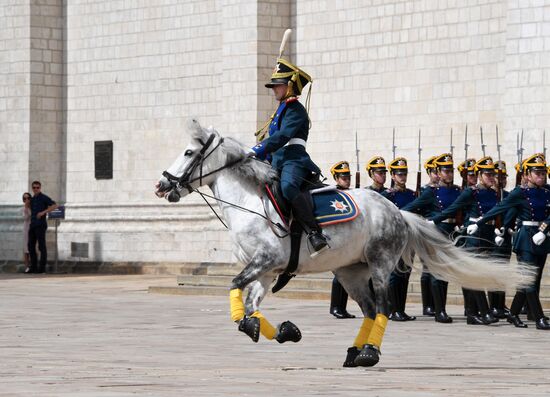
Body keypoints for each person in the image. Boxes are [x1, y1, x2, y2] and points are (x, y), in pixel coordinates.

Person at [251, 54, 328, 257]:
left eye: (278, 85)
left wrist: (256, 149)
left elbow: (283, 137)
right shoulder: (281, 110)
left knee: (288, 186)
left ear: (290, 86)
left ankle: (314, 232)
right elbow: (274, 141)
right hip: (278, 160)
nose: (275, 89)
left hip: (294, 159)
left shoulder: (295, 110)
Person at [468, 154, 550, 330]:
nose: (541, 176)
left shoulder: (547, 192)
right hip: (525, 239)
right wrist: (479, 222)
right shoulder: (519, 193)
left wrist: (544, 229)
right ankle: (539, 318)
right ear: (527, 174)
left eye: (543, 173)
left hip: (542, 238)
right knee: (528, 280)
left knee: (532, 280)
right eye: (537, 173)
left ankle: (513, 313)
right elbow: (501, 208)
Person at [430, 157, 499, 325]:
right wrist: (434, 221)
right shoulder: (471, 192)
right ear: (480, 175)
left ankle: (472, 313)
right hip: (474, 235)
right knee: (474, 273)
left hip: (488, 234)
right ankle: (483, 312)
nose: (491, 178)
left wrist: (500, 228)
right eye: (487, 175)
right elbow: (454, 208)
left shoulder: (493, 192)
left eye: (492, 175)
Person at [402, 153, 461, 323]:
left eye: (451, 170)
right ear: (438, 172)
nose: (449, 174)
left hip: (451, 233)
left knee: (445, 272)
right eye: (445, 170)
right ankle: (439, 310)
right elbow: (413, 207)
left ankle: (440, 307)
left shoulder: (458, 190)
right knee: (436, 271)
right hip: (435, 233)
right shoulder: (431, 192)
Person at [381, 157, 416, 321]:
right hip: (394, 239)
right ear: (393, 176)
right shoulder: (386, 195)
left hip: (409, 238)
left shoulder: (411, 194)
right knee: (395, 274)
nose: (403, 177)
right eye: (399, 174)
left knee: (405, 274)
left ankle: (401, 309)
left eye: (404, 174)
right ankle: (393, 309)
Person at [328, 161, 355, 319]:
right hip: (337, 238)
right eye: (343, 177)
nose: (347, 180)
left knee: (346, 273)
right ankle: (336, 307)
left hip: (350, 239)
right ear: (336, 178)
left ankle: (341, 307)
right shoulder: (333, 195)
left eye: (347, 177)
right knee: (339, 274)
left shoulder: (352, 193)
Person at [418, 156, 439, 316]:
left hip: (439, 232)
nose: (437, 175)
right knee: (427, 269)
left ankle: (434, 304)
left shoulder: (440, 190)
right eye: (434, 172)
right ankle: (428, 305)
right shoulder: (426, 190)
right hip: (427, 231)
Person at [28, 181, 58, 274]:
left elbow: (55, 205)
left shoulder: (44, 197)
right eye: (34, 187)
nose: (36, 189)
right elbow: (30, 210)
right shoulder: (32, 199)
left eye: (37, 187)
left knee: (41, 246)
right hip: (32, 224)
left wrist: (43, 212)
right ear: (32, 188)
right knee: (30, 246)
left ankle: (42, 268)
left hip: (40, 225)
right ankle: (33, 267)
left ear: (40, 188)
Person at [22, 192, 32, 273]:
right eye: (25, 198)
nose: (27, 200)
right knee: (26, 249)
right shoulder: (23, 209)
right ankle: (26, 267)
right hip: (26, 229)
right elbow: (25, 218)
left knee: (33, 248)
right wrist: (26, 208)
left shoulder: (33, 207)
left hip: (33, 228)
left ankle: (33, 265)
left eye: (28, 198)